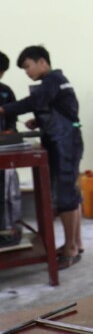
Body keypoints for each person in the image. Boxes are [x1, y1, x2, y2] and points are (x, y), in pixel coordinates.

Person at [0, 46, 85, 269]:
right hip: (64, 140)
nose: (27, 72)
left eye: (28, 66)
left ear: (42, 62)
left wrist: (3, 110)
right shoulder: (56, 81)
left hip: (64, 143)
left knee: (66, 197)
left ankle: (70, 249)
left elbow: (33, 102)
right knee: (71, 194)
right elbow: (62, 108)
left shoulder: (53, 80)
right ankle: (76, 243)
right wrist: (38, 121)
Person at [0, 51, 21, 247]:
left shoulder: (5, 92)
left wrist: (10, 130)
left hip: (4, 149)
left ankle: (9, 228)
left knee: (8, 189)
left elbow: (13, 117)